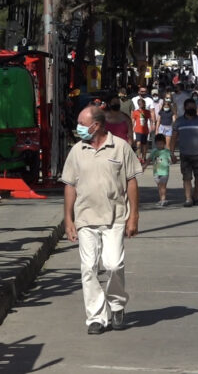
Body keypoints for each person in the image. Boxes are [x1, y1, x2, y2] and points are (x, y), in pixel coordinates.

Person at [62, 106, 141, 335]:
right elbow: (69, 185)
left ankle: (116, 305)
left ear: (95, 126)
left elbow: (132, 182)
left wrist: (133, 216)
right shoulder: (77, 150)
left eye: (81, 123)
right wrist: (69, 219)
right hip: (86, 218)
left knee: (113, 264)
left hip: (115, 217)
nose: (78, 128)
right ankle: (96, 317)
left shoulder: (120, 147)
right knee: (88, 268)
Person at [171, 98, 198, 207]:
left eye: (193, 106)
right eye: (189, 106)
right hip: (185, 155)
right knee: (187, 177)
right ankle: (188, 198)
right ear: (185, 108)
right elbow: (174, 137)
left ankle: (195, 196)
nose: (191, 108)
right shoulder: (179, 122)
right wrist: (171, 153)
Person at [148, 133, 172, 207]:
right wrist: (144, 166)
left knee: (163, 186)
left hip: (164, 172)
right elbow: (149, 159)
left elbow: (171, 159)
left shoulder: (167, 151)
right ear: (155, 144)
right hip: (156, 172)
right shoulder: (154, 151)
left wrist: (172, 159)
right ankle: (161, 199)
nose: (159, 145)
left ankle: (163, 199)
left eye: (161, 144)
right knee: (159, 186)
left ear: (164, 143)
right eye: (158, 144)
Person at [132, 98, 150, 163]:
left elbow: (150, 119)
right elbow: (133, 121)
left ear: (144, 104)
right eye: (139, 103)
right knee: (138, 143)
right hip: (138, 130)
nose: (140, 104)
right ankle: (139, 157)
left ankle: (144, 157)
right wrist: (132, 128)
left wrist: (152, 126)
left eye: (141, 103)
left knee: (144, 144)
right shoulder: (135, 112)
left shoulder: (147, 112)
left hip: (145, 130)